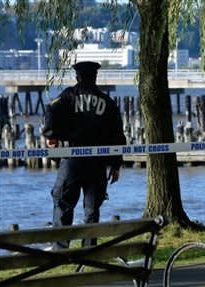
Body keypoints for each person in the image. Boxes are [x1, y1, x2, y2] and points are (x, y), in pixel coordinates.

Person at [43, 61, 126, 249]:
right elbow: (118, 135)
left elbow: (50, 109)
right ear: (95, 76)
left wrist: (51, 136)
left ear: (77, 77)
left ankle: (60, 250)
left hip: (72, 159)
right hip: (97, 162)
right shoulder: (107, 102)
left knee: (63, 204)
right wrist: (116, 165)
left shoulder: (68, 96)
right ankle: (88, 251)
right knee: (92, 209)